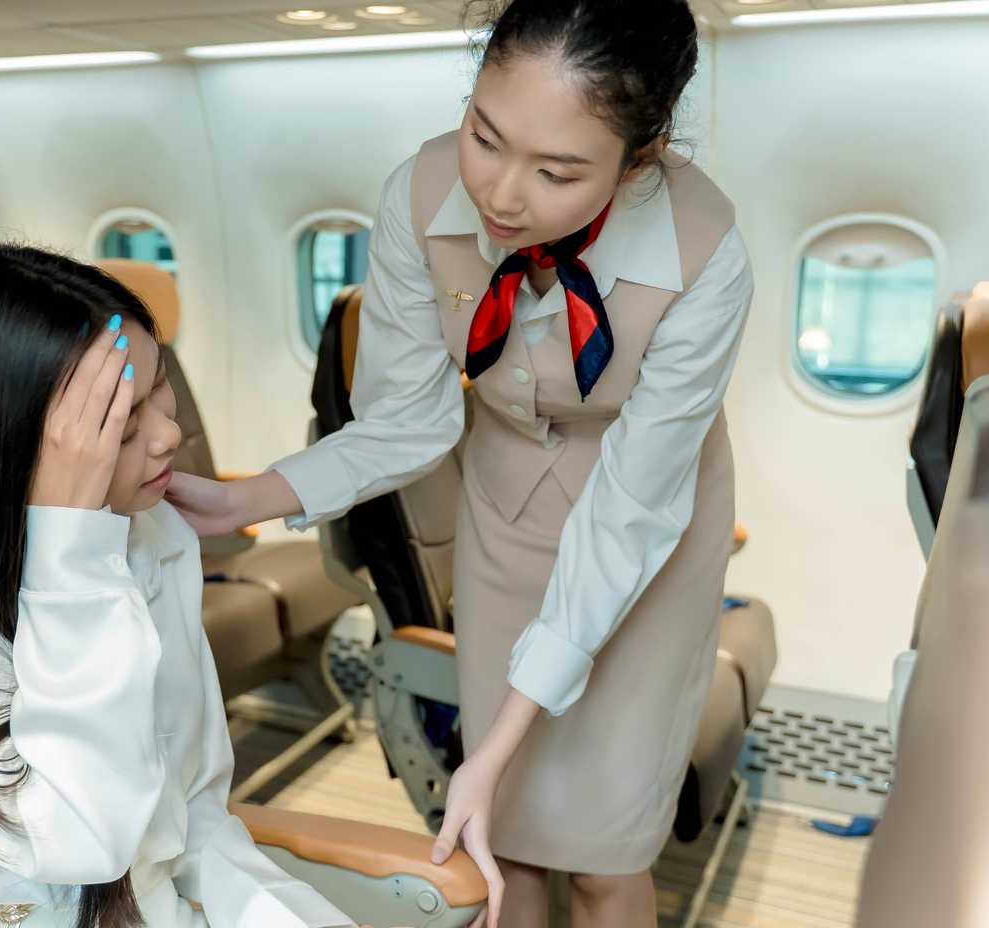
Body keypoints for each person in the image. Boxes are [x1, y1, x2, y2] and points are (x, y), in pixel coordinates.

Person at [165, 3, 753, 925]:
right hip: (505, 517)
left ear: (642, 157)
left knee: (606, 850)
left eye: (557, 172)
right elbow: (406, 418)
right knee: (499, 836)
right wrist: (250, 494)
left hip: (646, 543)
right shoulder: (418, 198)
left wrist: (498, 741)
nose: (503, 195)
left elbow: (631, 511)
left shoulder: (706, 251)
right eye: (486, 135)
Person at [0, 244, 353, 928]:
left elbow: (194, 820)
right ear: (7, 453)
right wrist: (70, 550)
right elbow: (84, 840)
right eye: (119, 430)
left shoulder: (151, 533)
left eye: (160, 390)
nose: (168, 434)